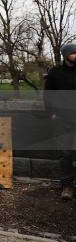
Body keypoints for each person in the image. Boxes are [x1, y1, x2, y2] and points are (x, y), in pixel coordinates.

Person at [44, 43, 76, 201]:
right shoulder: (55, 73)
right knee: (65, 153)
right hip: (63, 119)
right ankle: (67, 186)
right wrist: (52, 113)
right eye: (74, 53)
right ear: (66, 55)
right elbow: (48, 94)